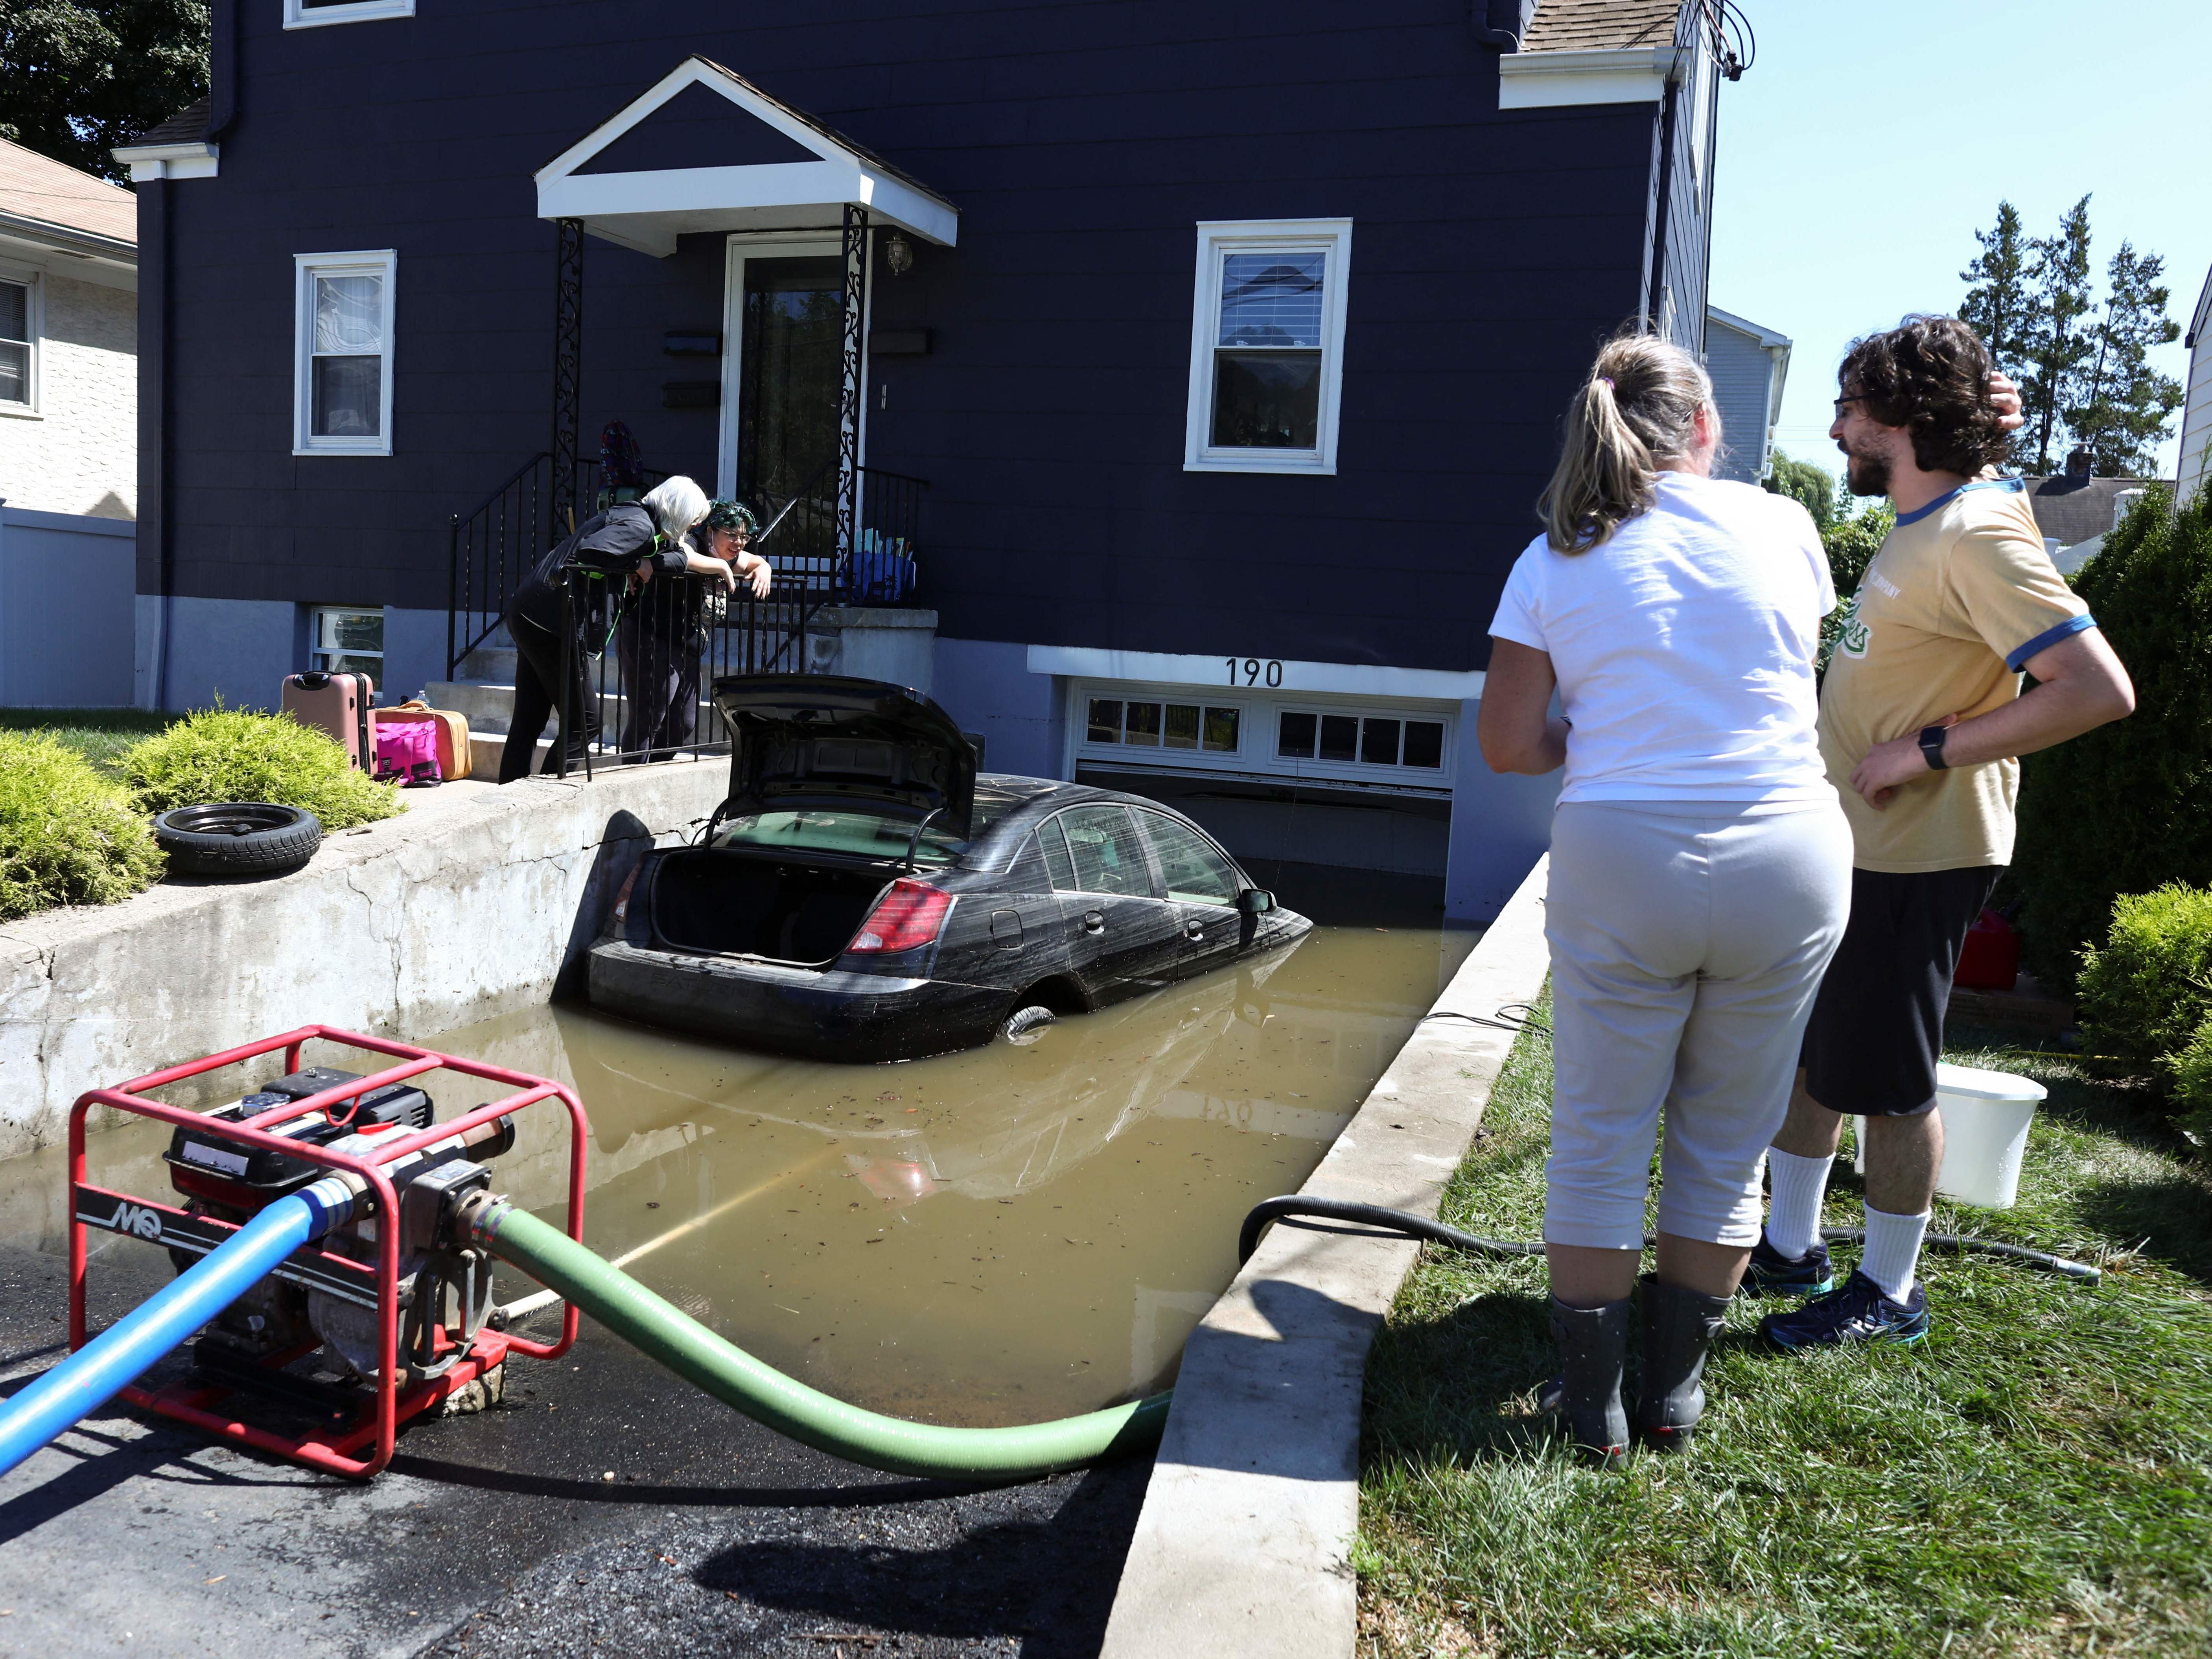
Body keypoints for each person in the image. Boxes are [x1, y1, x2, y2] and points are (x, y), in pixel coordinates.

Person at [1480, 332, 1853, 1462]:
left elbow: (1507, 744)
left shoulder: (1554, 557)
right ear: (1704, 429)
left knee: (1600, 1133)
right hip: (1788, 853)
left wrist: (1585, 724)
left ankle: (1592, 1405)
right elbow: (1776, 669)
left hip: (1622, 855)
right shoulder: (1788, 525)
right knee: (1728, 1138)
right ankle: (1674, 1395)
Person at [1751, 316, 2135, 1349]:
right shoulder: (1940, 514)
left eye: (1846, 410)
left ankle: (1890, 1291)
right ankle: (1790, 1247)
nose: (1834, 431)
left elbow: (2094, 690)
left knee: (1890, 1076)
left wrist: (1924, 752)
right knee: (1817, 1057)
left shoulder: (1976, 534)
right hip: (1856, 850)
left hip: (1922, 851)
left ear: (1899, 419)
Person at [497, 475, 733, 783]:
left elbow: (675, 558)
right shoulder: (640, 527)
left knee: (530, 717)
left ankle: (510, 789)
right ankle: (543, 798)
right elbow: (591, 553)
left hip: (531, 613)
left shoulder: (632, 515)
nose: (691, 529)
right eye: (692, 521)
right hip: (552, 623)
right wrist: (635, 563)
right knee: (584, 723)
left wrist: (641, 563)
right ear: (680, 513)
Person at [613, 499, 774, 761]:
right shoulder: (693, 542)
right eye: (731, 535)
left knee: (683, 722)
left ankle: (653, 772)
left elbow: (754, 561)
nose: (738, 543)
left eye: (744, 537)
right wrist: (721, 567)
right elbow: (683, 557)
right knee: (650, 716)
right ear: (710, 531)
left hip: (687, 645)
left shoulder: (727, 555)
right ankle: (631, 774)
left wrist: (764, 568)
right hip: (652, 634)